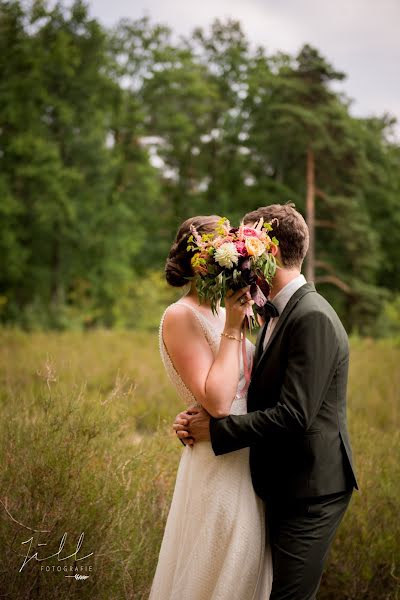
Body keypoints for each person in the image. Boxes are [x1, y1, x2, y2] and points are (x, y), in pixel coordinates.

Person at [174, 203, 358, 600]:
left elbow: (295, 414)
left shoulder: (312, 316)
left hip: (311, 491)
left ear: (269, 251)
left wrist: (217, 430)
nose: (240, 255)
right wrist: (198, 415)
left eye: (246, 245)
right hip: (278, 482)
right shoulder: (271, 308)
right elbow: (253, 388)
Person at [149, 215, 273, 600]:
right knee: (218, 573)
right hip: (219, 464)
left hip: (249, 458)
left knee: (247, 571)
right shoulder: (180, 316)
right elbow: (218, 402)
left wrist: (234, 318)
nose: (238, 264)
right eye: (229, 255)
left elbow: (246, 384)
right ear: (204, 262)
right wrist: (235, 326)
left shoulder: (225, 310)